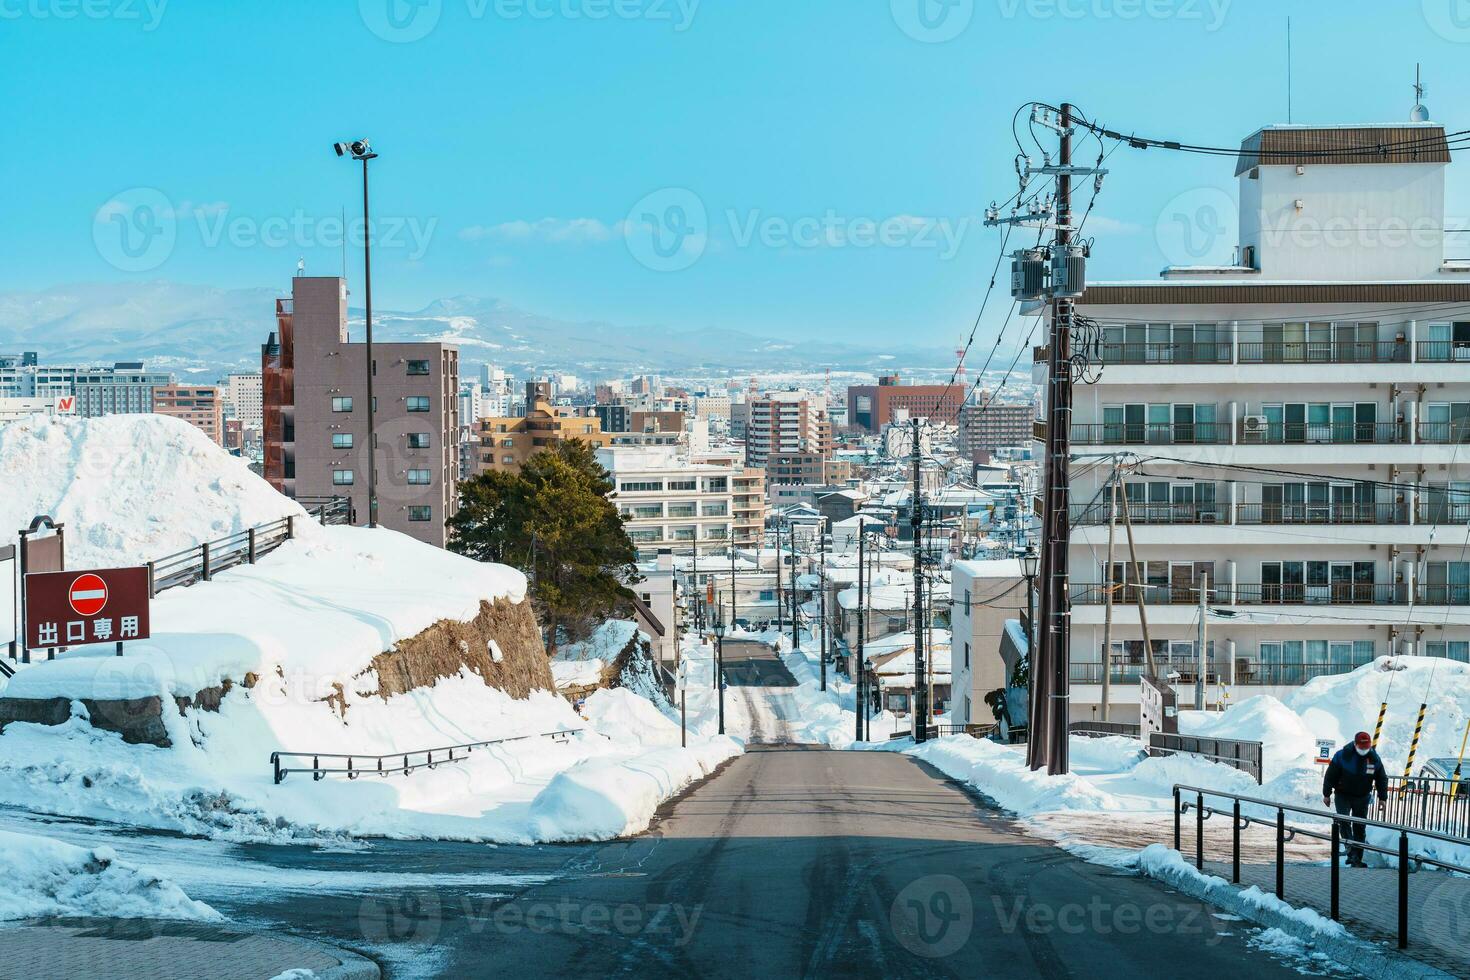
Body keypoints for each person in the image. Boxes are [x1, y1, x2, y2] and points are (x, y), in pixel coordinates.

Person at [1322, 731, 1388, 867]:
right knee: (1344, 822)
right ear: (1355, 744)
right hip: (1343, 795)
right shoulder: (1342, 756)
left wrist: (1383, 798)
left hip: (1362, 797)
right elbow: (1330, 775)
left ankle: (1357, 858)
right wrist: (1326, 794)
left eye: (1367, 747)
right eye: (1362, 747)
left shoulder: (1374, 758)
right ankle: (1351, 853)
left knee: (1359, 827)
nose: (1364, 750)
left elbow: (1381, 778)